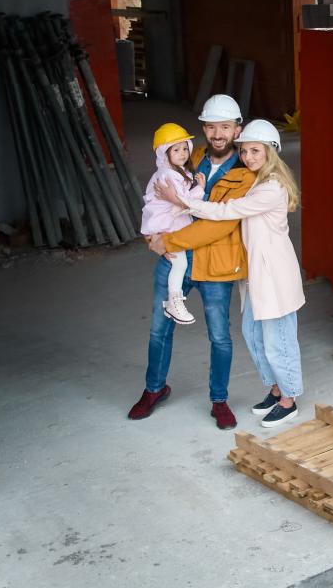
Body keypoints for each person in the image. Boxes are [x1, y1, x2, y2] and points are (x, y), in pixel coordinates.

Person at [154, 118, 305, 429]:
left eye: (255, 151)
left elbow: (226, 212)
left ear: (270, 151)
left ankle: (289, 400)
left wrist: (180, 201)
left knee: (278, 341)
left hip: (274, 275)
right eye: (244, 151)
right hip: (256, 274)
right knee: (253, 334)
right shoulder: (257, 181)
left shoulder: (272, 187)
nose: (247, 157)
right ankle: (276, 389)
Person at [128, 94, 254, 430]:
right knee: (159, 329)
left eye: (224, 127)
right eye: (211, 127)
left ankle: (219, 400)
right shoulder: (190, 156)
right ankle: (154, 389)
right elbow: (159, 198)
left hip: (216, 263)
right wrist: (152, 234)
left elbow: (220, 224)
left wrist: (166, 241)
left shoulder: (244, 174)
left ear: (237, 129)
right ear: (203, 129)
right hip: (176, 261)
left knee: (220, 336)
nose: (217, 134)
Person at [141, 122, 205, 325]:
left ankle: (173, 301)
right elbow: (184, 202)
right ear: (164, 153)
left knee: (178, 262)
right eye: (176, 150)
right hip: (167, 225)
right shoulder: (168, 175)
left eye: (185, 148)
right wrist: (200, 188)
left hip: (167, 221)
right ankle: (174, 302)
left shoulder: (172, 172)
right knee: (180, 263)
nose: (183, 153)